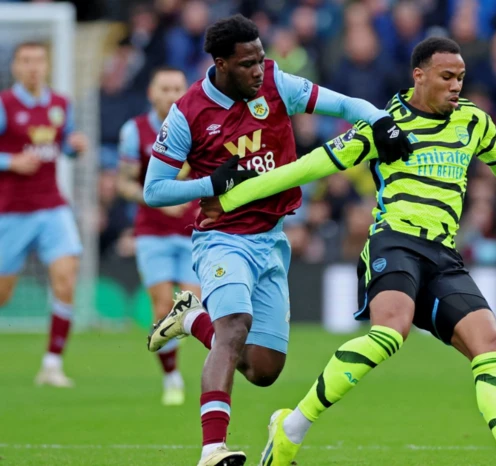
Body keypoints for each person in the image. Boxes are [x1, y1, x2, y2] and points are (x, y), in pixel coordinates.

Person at [201, 37, 496, 466]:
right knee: (390, 331)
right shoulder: (386, 125)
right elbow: (310, 166)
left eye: (460, 77)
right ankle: (292, 428)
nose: (456, 86)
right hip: (395, 242)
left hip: (443, 256)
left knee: (491, 346)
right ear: (418, 76)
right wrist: (231, 198)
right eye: (447, 77)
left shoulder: (473, 122)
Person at [142, 15, 412, 466]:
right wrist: (210, 185)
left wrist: (381, 120)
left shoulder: (275, 84)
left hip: (271, 238)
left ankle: (192, 320)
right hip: (222, 239)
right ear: (221, 63)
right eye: (248, 64)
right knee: (234, 326)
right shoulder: (188, 113)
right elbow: (155, 189)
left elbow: (344, 106)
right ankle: (212, 449)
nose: (258, 71)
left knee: (264, 370)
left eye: (261, 60)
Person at [0, 42, 88, 387]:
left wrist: (74, 147)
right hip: (12, 212)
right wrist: (10, 162)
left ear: (47, 65)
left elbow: (64, 145)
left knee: (66, 277)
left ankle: (52, 364)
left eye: (38, 60)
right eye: (26, 61)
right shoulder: (6, 104)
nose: (33, 67)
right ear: (16, 67)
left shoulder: (61, 104)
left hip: (52, 206)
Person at [117, 67, 200, 406]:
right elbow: (123, 183)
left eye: (177, 88)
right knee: (163, 306)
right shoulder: (134, 131)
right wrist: (153, 199)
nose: (171, 94)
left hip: (193, 230)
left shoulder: (199, 126)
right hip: (151, 231)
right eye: (164, 88)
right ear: (152, 92)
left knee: (194, 305)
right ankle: (172, 377)